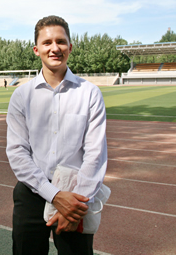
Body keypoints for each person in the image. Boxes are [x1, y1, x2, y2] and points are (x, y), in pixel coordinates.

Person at [6, 15, 107, 255]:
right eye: (47, 42)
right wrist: (53, 195)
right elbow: (17, 152)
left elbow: (95, 154)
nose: (55, 48)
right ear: (36, 49)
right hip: (32, 193)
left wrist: (74, 203)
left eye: (61, 41)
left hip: (76, 196)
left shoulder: (90, 94)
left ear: (70, 47)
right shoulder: (22, 96)